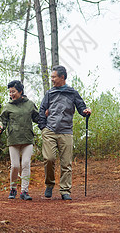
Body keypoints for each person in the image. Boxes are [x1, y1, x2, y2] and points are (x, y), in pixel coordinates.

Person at [38, 65, 91, 200]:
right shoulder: (50, 93)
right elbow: (42, 110)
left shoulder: (72, 93)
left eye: (54, 77)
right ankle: (49, 184)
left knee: (66, 163)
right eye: (51, 77)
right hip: (50, 130)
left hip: (66, 131)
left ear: (62, 77)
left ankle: (65, 190)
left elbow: (81, 108)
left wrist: (85, 112)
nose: (52, 80)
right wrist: (43, 127)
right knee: (49, 159)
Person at [0, 80, 39, 200]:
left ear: (20, 91)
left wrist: (46, 115)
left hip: (27, 138)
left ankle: (24, 191)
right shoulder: (7, 106)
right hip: (13, 139)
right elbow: (3, 121)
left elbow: (37, 118)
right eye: (10, 92)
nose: (11, 94)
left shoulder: (30, 104)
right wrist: (0, 126)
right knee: (15, 166)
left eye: (13, 91)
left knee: (26, 164)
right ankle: (13, 188)